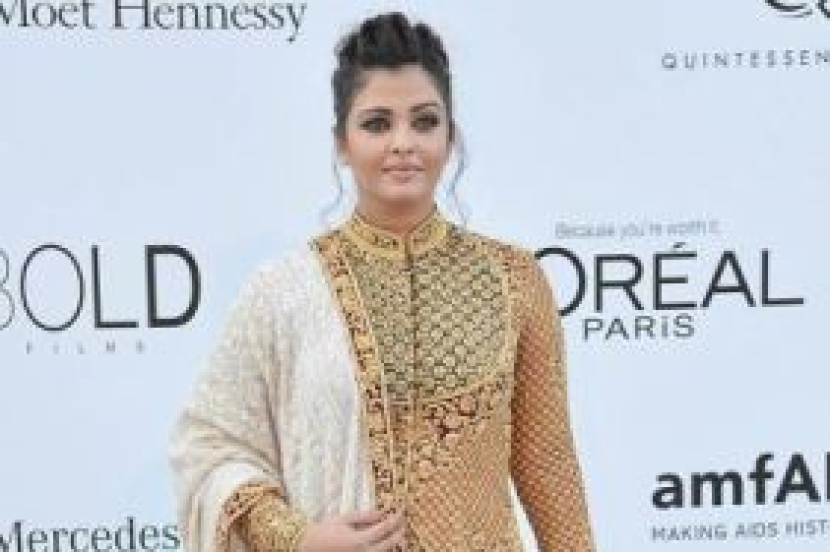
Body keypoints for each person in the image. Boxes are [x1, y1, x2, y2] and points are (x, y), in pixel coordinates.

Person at [169, 11, 595, 552]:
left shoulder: (514, 280)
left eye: (424, 121)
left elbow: (551, 473)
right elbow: (209, 447)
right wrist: (296, 537)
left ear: (450, 136)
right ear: (341, 144)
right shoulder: (284, 293)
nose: (402, 142)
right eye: (376, 124)